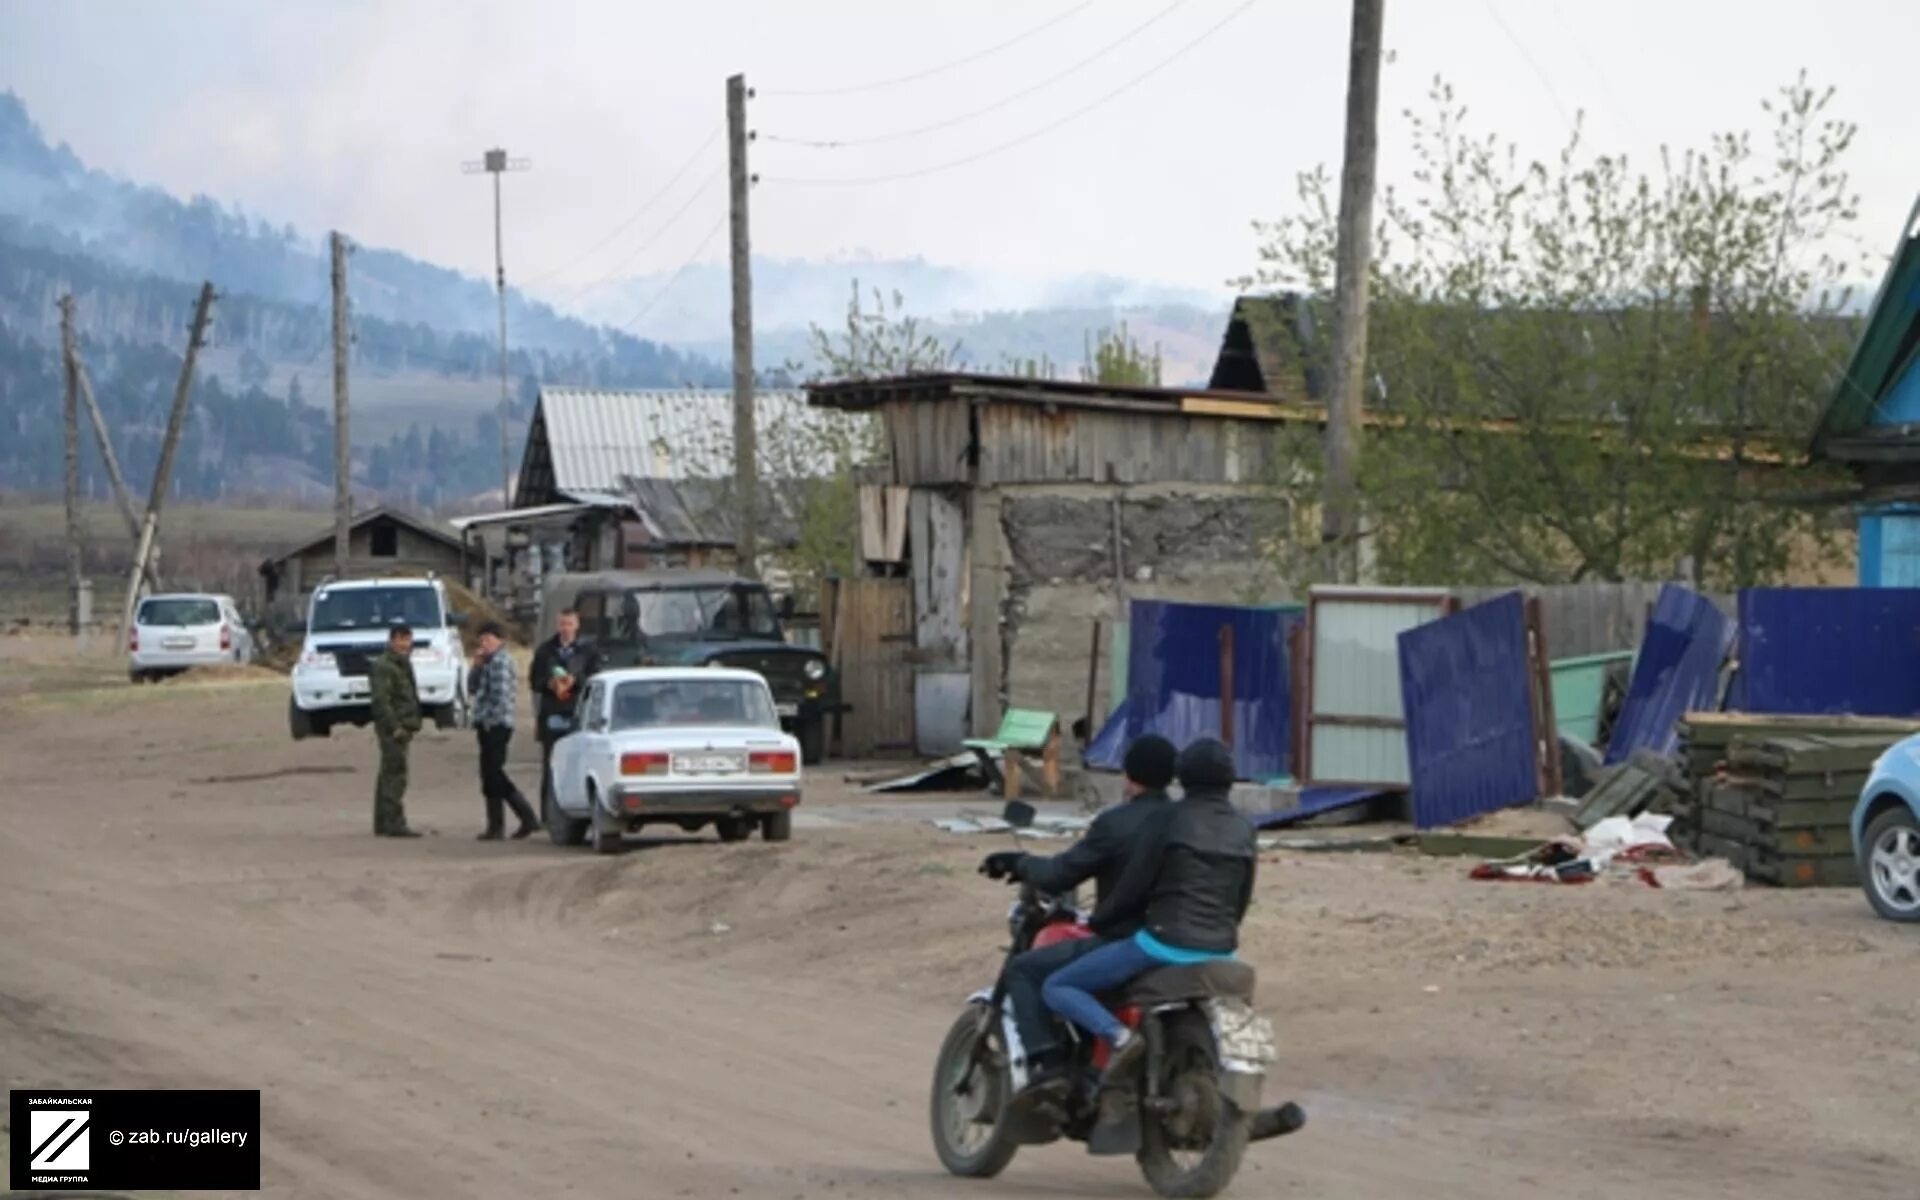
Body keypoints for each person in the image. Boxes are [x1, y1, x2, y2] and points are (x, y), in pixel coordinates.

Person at [1040, 737, 1257, 1078]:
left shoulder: (1168, 819)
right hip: (1221, 948)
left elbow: (1135, 885)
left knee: (1058, 986)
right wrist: (1222, 934)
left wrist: (1101, 921)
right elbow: (1240, 896)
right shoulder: (1244, 828)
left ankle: (1119, 1037)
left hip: (1162, 944)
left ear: (1183, 777)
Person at [978, 735, 1179, 1091]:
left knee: (1025, 971)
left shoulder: (1116, 822)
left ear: (1129, 776)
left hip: (1126, 939)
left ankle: (1049, 1068)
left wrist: (1019, 862)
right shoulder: (1184, 821)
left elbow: (1060, 874)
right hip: (1177, 936)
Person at [469, 621, 539, 841]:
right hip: (485, 723)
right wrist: (477, 666)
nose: (485, 644)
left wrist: (489, 722)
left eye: (488, 639)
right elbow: (472, 688)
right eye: (482, 640)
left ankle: (525, 816)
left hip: (497, 725)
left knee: (494, 773)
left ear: (500, 640)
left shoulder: (501, 661)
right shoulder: (487, 662)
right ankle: (496, 824)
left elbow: (499, 697)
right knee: (489, 775)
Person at [529, 608, 604, 814]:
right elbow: (534, 681)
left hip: (578, 713)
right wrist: (551, 684)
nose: (566, 629)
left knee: (578, 764)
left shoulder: (589, 650)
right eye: (563, 624)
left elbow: (596, 679)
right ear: (557, 625)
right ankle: (548, 813)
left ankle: (579, 811)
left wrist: (576, 681)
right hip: (552, 714)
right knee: (550, 765)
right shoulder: (545, 651)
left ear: (577, 625)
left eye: (570, 624)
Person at [368, 623, 425, 838]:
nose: (404, 644)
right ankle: (394, 822)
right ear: (391, 640)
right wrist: (395, 727)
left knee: (388, 772)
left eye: (407, 639)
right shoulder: (383, 666)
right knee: (395, 775)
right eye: (400, 639)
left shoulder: (403, 664)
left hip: (405, 725)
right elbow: (381, 702)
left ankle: (383, 821)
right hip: (393, 728)